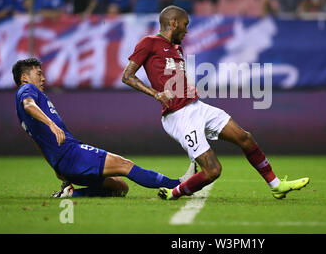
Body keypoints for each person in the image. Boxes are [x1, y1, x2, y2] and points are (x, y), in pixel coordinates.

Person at [122, 5, 310, 200]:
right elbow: (127, 76)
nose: (187, 30)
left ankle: (276, 185)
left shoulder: (177, 48)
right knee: (213, 171)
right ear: (174, 23)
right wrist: (155, 94)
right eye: (185, 25)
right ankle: (173, 193)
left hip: (196, 107)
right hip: (179, 116)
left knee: (245, 138)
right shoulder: (149, 42)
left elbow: (173, 78)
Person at [12, 58, 196, 198]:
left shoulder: (25, 108)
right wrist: (52, 124)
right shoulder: (26, 91)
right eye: (38, 74)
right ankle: (178, 184)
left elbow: (37, 140)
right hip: (72, 155)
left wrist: (55, 167)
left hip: (64, 163)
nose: (43, 78)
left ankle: (71, 194)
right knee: (125, 165)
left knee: (119, 187)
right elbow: (29, 104)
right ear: (24, 77)